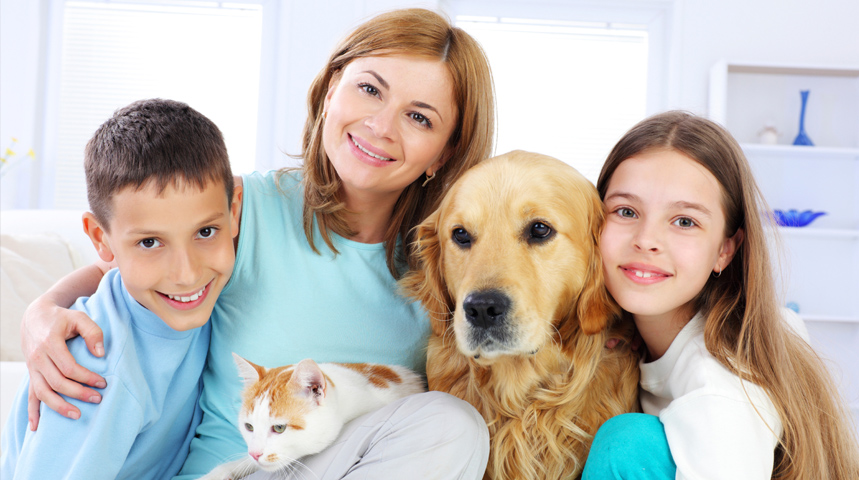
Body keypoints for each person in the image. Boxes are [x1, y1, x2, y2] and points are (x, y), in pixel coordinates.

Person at [19, 8, 496, 479]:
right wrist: (41, 312)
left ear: (446, 151)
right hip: (233, 470)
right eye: (369, 90)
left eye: (419, 117)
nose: (381, 126)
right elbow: (135, 269)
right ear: (332, 91)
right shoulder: (246, 207)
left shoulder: (446, 263)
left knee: (452, 426)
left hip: (350, 466)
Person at [582, 111, 859, 479]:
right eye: (626, 211)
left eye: (685, 221)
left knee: (629, 444)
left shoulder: (719, 392)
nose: (646, 240)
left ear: (725, 250)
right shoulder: (634, 337)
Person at [1, 98, 241, 478]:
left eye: (204, 232)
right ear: (101, 238)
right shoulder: (95, 374)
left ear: (235, 212)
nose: (186, 273)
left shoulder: (211, 285)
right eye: (150, 242)